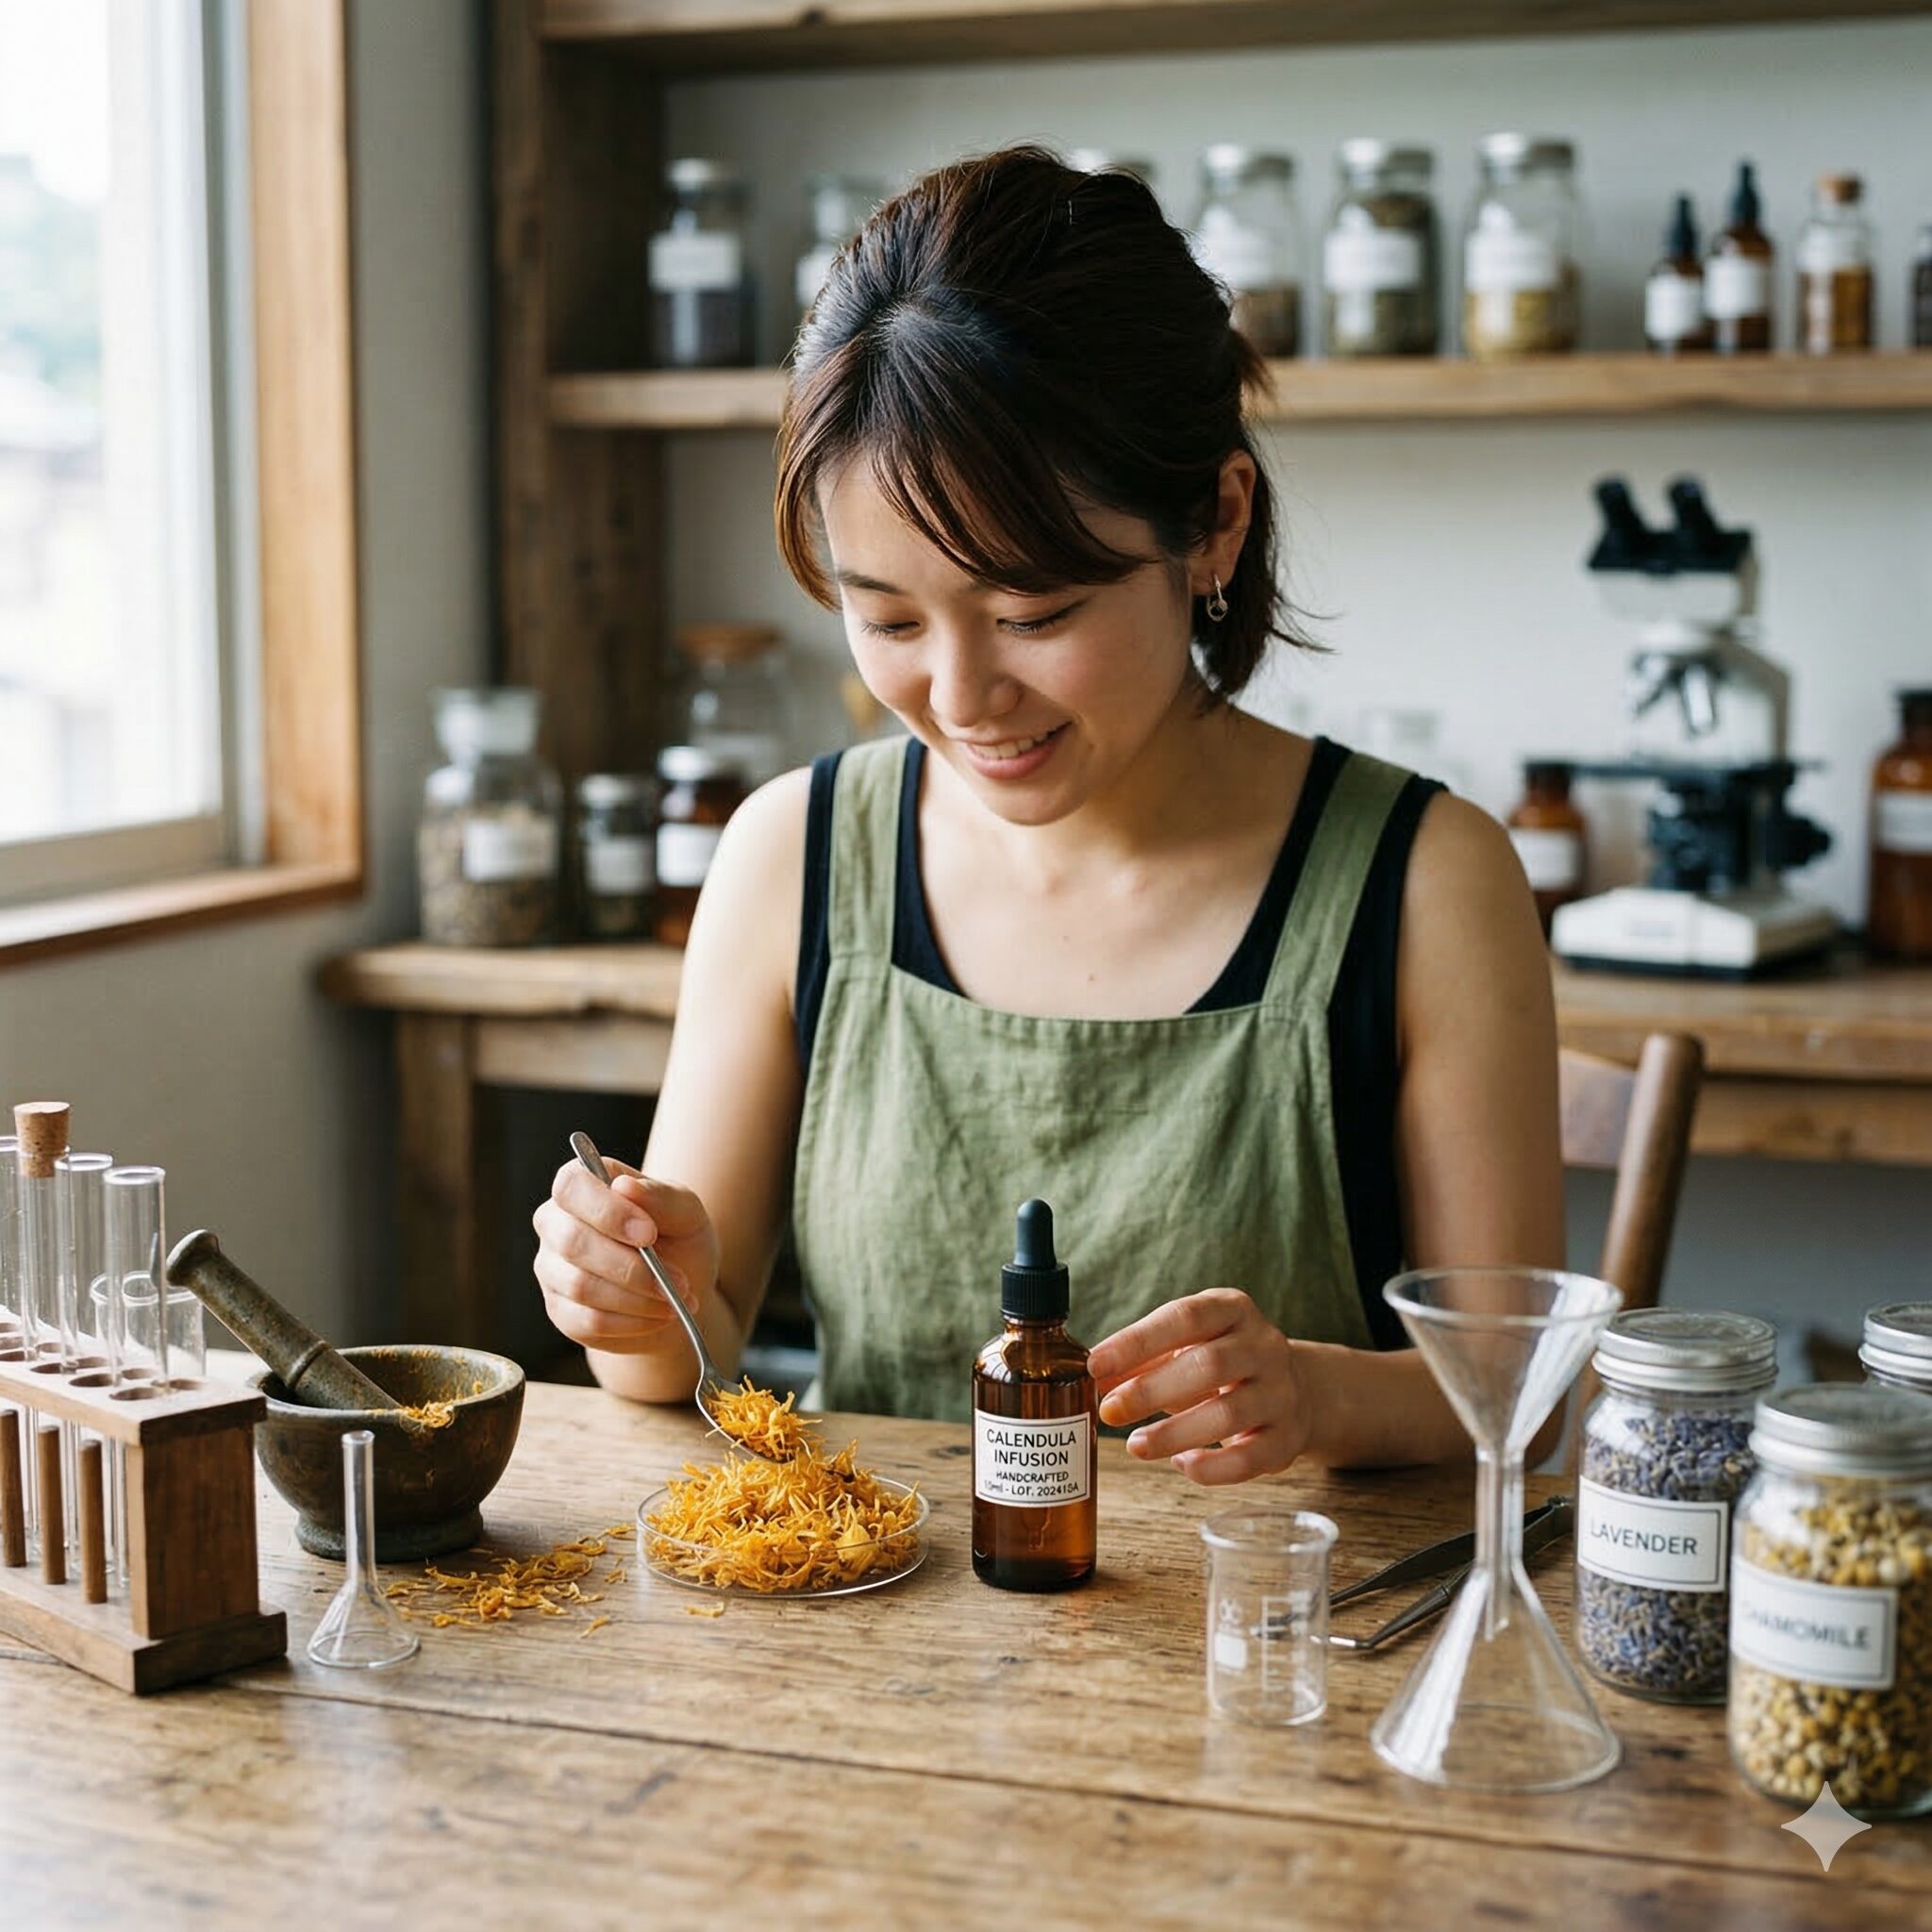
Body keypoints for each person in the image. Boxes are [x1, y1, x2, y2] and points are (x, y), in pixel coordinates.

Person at [533, 146, 1564, 1483]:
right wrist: (634, 1297)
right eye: (889, 620)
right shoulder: (794, 854)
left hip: (1273, 1606)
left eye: (1034, 614)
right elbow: (693, 1345)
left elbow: (1514, 1397)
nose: (962, 698)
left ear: (1215, 523)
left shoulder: (1424, 880)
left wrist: (1321, 1396)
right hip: (875, 1605)